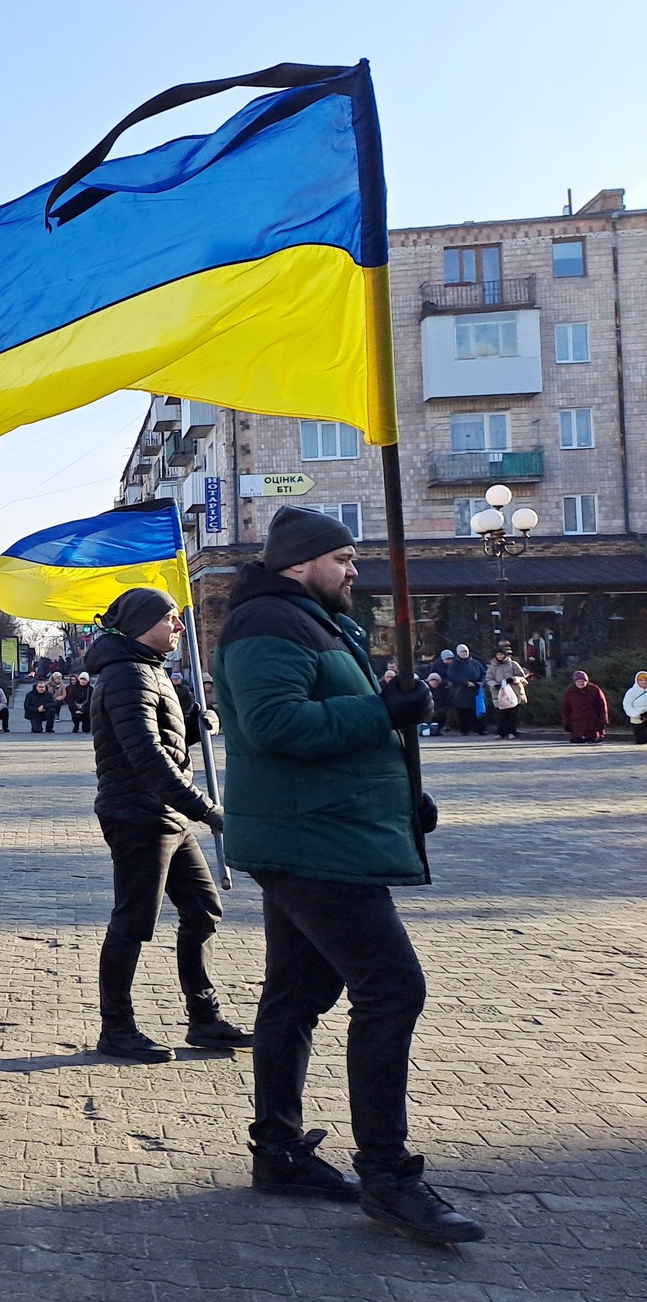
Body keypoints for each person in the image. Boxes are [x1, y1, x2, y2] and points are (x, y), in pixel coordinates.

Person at [212, 505, 480, 1245]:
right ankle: (390, 1178)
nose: (355, 572)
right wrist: (381, 712)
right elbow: (278, 727)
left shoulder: (311, 620)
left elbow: (331, 721)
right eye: (344, 559)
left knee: (299, 992)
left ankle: (279, 1151)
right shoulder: (270, 623)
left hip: (320, 828)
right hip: (311, 840)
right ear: (303, 562)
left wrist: (402, 794)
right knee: (392, 986)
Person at [85, 588, 250, 1062]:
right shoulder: (126, 676)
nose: (179, 627)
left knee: (202, 909)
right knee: (133, 922)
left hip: (166, 815)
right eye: (171, 618)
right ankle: (116, 1028)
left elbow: (166, 742)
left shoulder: (149, 671)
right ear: (142, 623)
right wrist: (207, 810)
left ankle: (205, 1020)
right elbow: (147, 759)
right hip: (137, 815)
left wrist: (197, 725)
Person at [486, 647, 528, 741]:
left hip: (514, 693)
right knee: (501, 714)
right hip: (499, 693)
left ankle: (511, 732)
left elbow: (522, 676)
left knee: (513, 714)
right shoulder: (492, 666)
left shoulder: (513, 664)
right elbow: (488, 679)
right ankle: (500, 732)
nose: (500, 656)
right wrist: (495, 685)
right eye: (498, 654)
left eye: (501, 654)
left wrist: (513, 679)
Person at [445, 644, 485, 735]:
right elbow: (452, 675)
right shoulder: (454, 664)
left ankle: (480, 729)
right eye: (461, 652)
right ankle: (464, 730)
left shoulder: (475, 663)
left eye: (465, 651)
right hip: (461, 690)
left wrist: (482, 682)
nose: (464, 653)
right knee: (463, 711)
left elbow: (484, 673)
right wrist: (465, 682)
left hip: (475, 689)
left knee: (477, 710)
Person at [560, 671, 608, 743]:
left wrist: (603, 721)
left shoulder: (595, 689)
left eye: (583, 681)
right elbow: (565, 709)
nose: (580, 683)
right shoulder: (569, 692)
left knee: (593, 740)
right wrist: (566, 723)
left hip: (593, 723)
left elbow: (602, 706)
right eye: (578, 681)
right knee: (577, 741)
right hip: (576, 724)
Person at [624, 671, 647, 745]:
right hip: (637, 719)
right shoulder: (631, 692)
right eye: (641, 680)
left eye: (645, 680)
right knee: (641, 741)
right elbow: (627, 705)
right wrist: (637, 715)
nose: (643, 682)